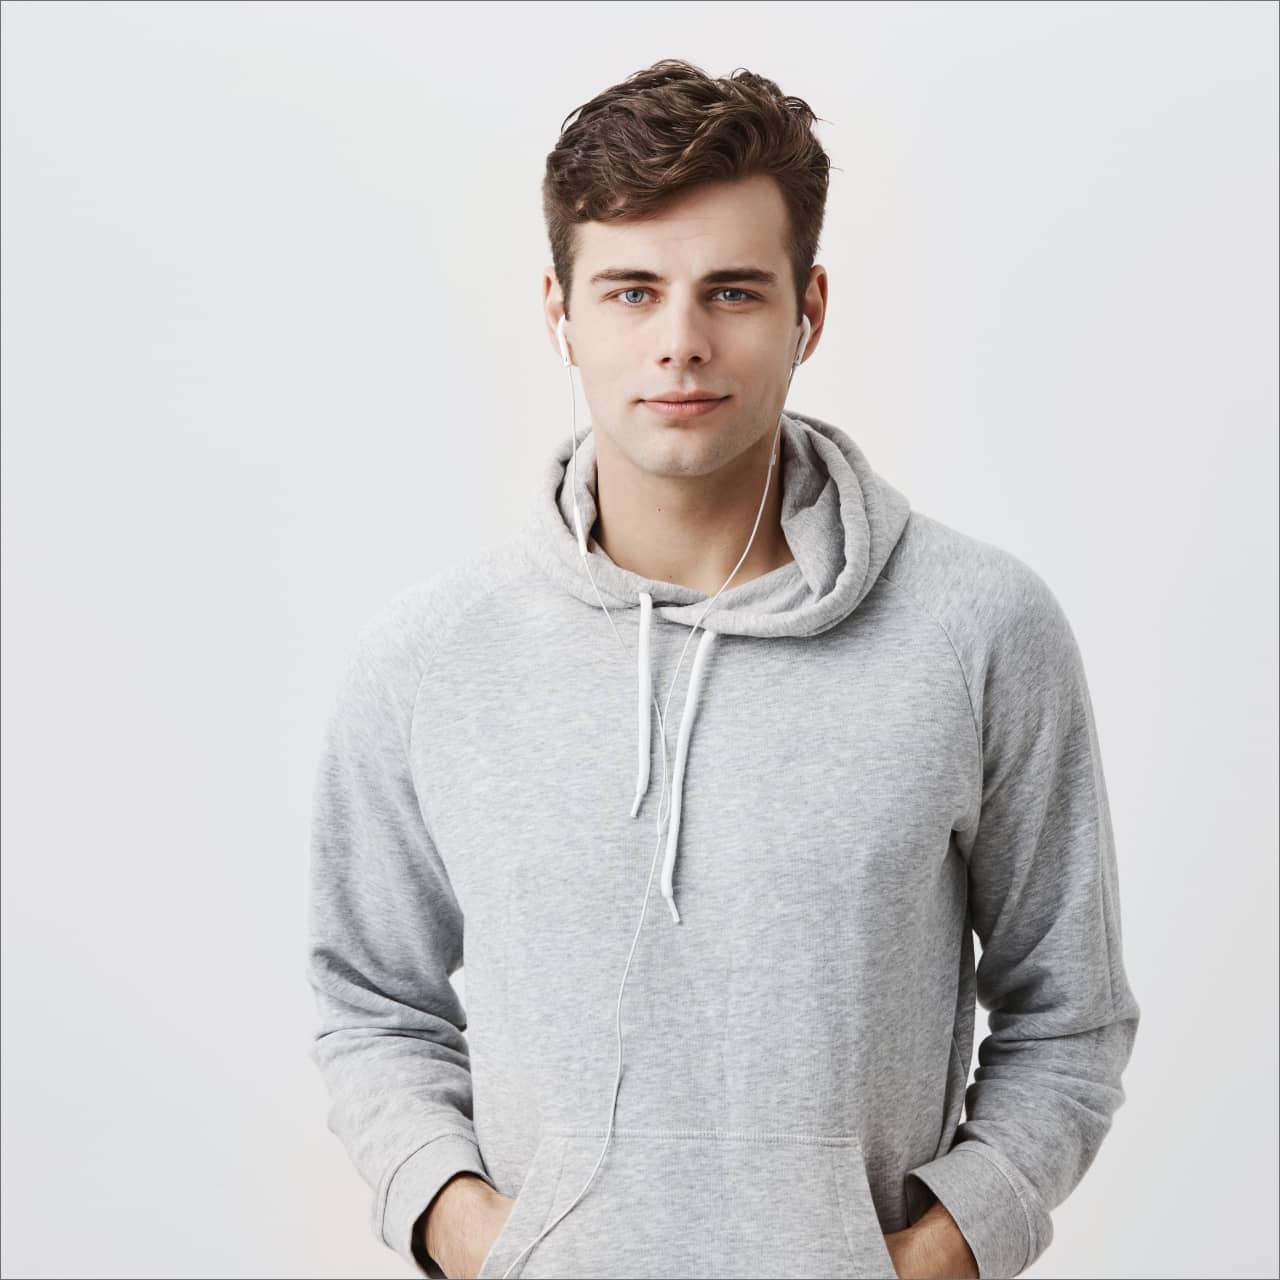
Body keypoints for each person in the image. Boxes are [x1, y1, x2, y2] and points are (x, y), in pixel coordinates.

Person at [306, 59, 1140, 1280]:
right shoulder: (430, 658)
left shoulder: (978, 629)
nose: (680, 344)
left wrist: (936, 1252)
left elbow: (1070, 1014)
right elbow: (370, 1003)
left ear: (808, 310)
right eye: (631, 291)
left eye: (731, 291)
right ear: (559, 312)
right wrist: (474, 1234)